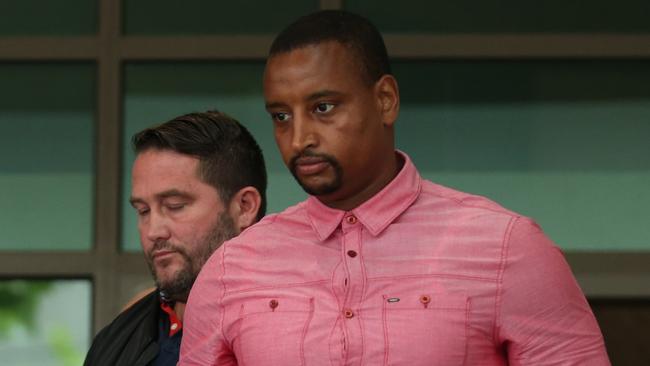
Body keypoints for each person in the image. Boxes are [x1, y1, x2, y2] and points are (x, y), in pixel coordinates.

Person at [179, 11, 610, 366]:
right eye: (281, 116)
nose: (299, 138)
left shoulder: (507, 249)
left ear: (385, 100)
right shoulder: (231, 270)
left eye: (323, 107)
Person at [84, 110, 267, 366]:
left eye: (175, 205)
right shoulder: (114, 342)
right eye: (143, 211)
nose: (153, 230)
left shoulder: (304, 324)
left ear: (245, 207)